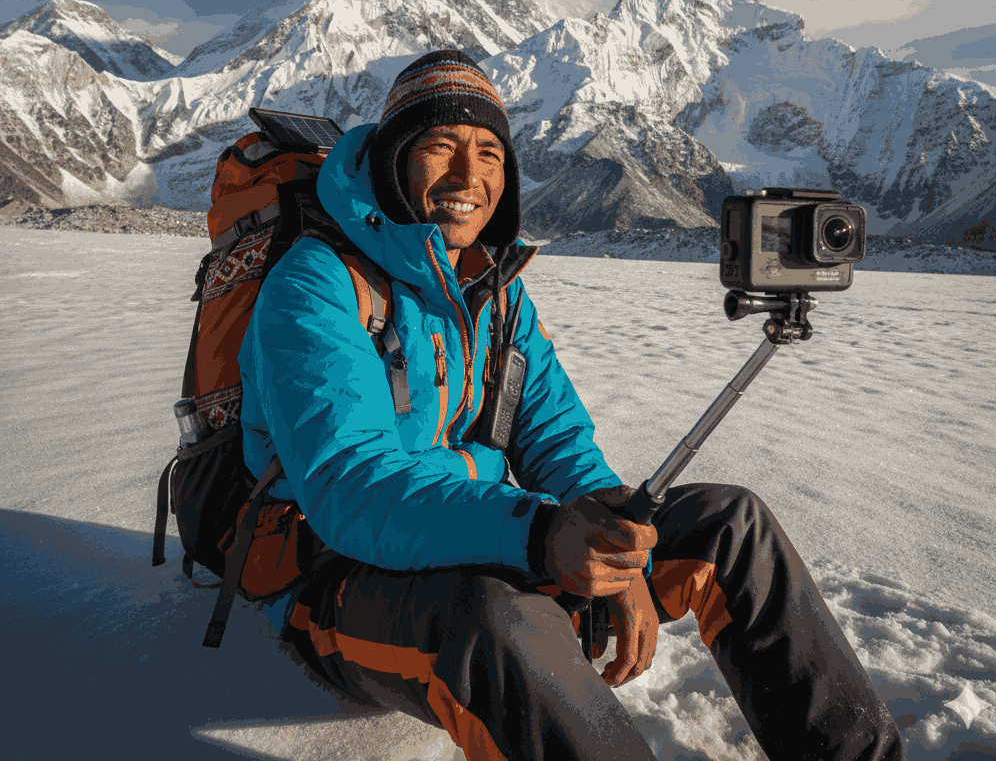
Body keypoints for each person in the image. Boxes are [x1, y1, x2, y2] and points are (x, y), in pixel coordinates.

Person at [238, 49, 904, 761]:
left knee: (728, 525)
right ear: (393, 158)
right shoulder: (314, 285)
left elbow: (556, 437)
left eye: (490, 152)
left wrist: (616, 553)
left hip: (488, 535)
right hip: (338, 580)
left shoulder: (496, 290)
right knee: (498, 616)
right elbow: (351, 485)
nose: (470, 177)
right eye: (440, 146)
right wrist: (539, 535)